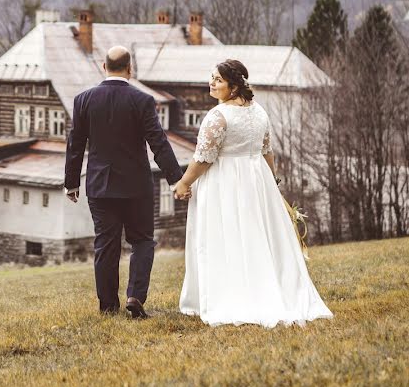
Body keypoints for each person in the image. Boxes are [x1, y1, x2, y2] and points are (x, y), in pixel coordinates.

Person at [174, 59, 333, 327]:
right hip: (256, 179)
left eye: (218, 80)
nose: (211, 83)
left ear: (234, 87)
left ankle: (230, 295)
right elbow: (267, 152)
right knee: (256, 234)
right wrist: (270, 182)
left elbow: (204, 158)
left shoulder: (218, 116)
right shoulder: (259, 111)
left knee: (225, 235)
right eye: (212, 77)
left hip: (225, 182)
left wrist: (184, 183)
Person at [65, 46, 186, 318]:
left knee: (105, 245)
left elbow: (75, 144)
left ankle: (108, 307)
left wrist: (71, 182)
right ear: (130, 69)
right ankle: (135, 296)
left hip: (99, 185)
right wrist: (176, 179)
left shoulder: (83, 100)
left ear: (103, 66)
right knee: (142, 241)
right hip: (136, 186)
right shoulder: (142, 100)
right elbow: (158, 142)